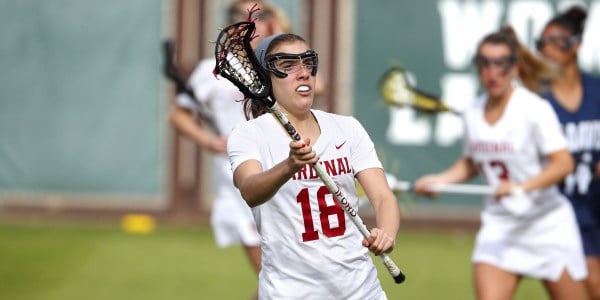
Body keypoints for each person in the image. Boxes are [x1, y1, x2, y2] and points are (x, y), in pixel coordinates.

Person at [413, 27, 588, 300]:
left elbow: (563, 163)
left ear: (515, 67)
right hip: (501, 227)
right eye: (484, 63)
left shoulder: (534, 109)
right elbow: (473, 163)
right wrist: (441, 180)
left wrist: (521, 186)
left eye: (500, 64)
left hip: (547, 225)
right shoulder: (472, 112)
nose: (492, 72)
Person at [227, 33, 401, 299]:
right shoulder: (249, 135)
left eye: (308, 63)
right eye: (287, 66)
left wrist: (386, 233)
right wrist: (289, 166)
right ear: (265, 78)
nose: (303, 73)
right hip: (289, 292)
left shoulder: (348, 128)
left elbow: (382, 196)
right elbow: (250, 191)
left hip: (361, 290)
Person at [168, 1, 290, 299]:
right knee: (273, 277)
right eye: (244, 16)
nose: (252, 23)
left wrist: (283, 35)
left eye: (262, 17)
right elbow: (178, 115)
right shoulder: (211, 69)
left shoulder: (279, 59)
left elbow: (319, 85)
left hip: (283, 167)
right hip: (237, 172)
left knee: (287, 274)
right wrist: (209, 142)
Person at [537, 6, 600, 299]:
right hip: (560, 213)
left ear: (575, 44)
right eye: (542, 43)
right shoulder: (536, 100)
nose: (547, 49)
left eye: (556, 41)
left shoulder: (596, 91)